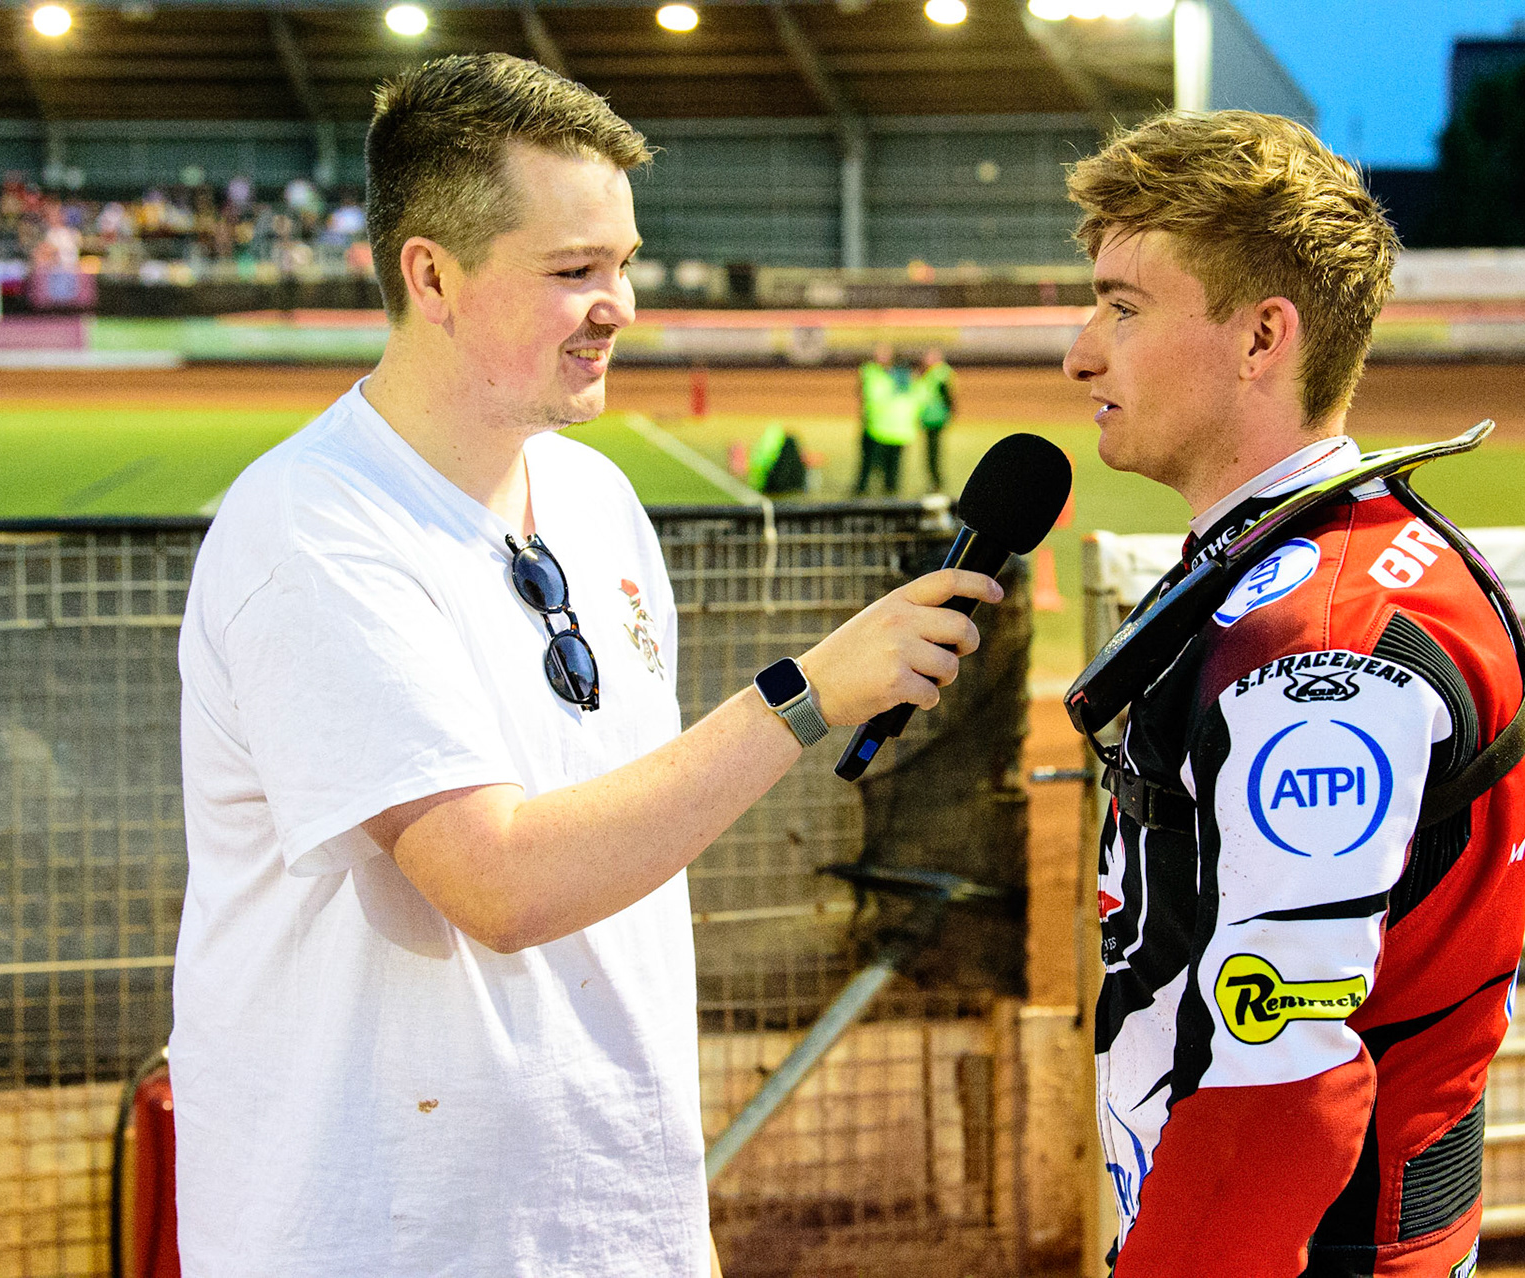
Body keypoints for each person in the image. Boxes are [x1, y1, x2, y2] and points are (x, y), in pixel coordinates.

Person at [169, 53, 1001, 1278]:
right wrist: (803, 697)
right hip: (387, 1236)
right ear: (432, 275)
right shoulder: (314, 528)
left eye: (622, 262)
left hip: (612, 1220)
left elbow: (618, 839)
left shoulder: (597, 497)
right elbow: (499, 885)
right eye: (573, 272)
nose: (618, 303)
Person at [1061, 111, 1525, 1277]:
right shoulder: (1296, 557)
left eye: (1124, 308)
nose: (1081, 352)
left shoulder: (1318, 648)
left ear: (1263, 336)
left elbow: (1279, 1085)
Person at [855, 341, 916, 495]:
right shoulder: (870, 371)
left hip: (894, 429)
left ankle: (889, 492)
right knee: (868, 464)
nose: (880, 357)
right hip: (875, 425)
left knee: (892, 467)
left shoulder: (902, 375)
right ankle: (862, 490)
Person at [912, 347, 956, 491]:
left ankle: (936, 482)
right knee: (930, 454)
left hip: (936, 419)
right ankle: (934, 481)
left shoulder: (940, 374)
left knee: (933, 454)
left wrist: (949, 414)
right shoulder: (928, 374)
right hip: (928, 418)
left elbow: (949, 397)